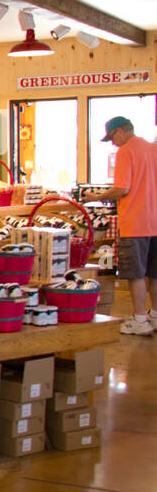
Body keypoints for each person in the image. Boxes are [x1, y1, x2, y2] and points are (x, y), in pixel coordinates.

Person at [86, 116, 157, 335]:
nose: (113, 143)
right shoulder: (153, 149)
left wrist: (97, 196)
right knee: (154, 274)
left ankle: (139, 320)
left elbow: (122, 188)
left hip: (135, 223)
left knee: (135, 274)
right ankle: (154, 316)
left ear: (120, 132)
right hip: (155, 221)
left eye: (112, 138)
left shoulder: (126, 151)